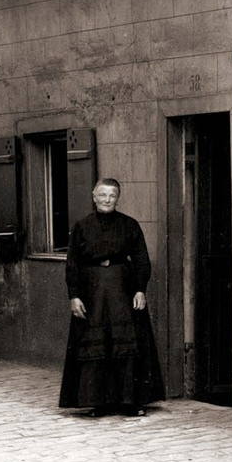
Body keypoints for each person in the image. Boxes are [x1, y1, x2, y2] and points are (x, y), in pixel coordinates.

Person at [59, 178, 164, 416]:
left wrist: (140, 289)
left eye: (112, 195)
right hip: (92, 293)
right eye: (102, 195)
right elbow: (72, 264)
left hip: (122, 292)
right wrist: (74, 296)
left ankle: (131, 402)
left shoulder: (130, 225)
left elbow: (141, 259)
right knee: (97, 345)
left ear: (118, 198)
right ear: (94, 196)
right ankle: (99, 402)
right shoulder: (82, 227)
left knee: (126, 344)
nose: (107, 200)